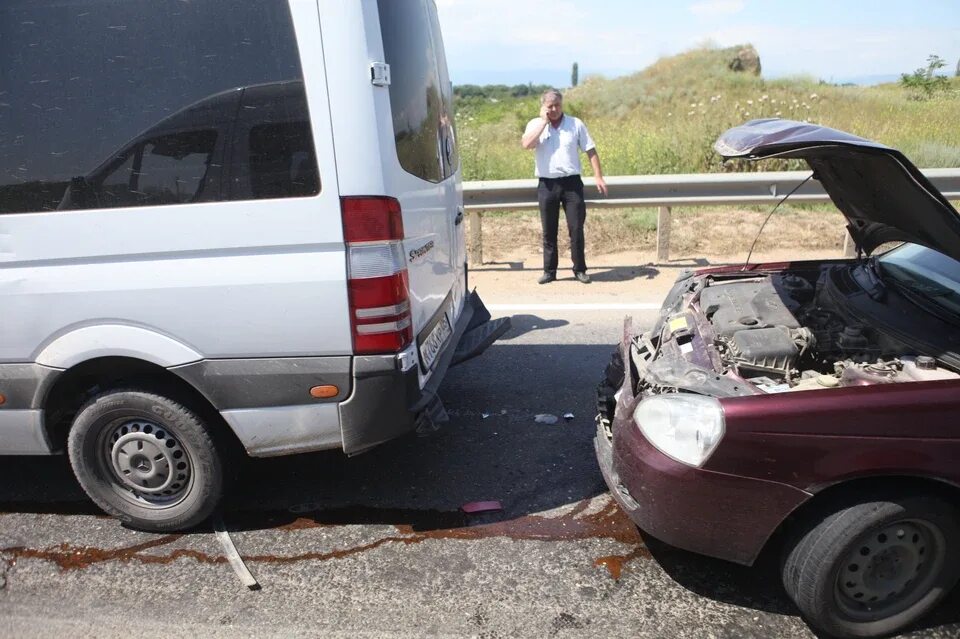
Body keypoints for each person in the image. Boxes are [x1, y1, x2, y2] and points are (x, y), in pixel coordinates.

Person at [521, 88, 607, 284]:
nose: (554, 109)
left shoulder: (575, 124)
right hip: (547, 184)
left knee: (576, 228)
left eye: (557, 105)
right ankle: (549, 271)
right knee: (549, 230)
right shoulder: (535, 124)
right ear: (543, 107)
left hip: (572, 184)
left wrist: (598, 176)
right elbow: (526, 144)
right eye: (550, 106)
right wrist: (543, 122)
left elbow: (590, 150)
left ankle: (580, 269)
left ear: (562, 105)